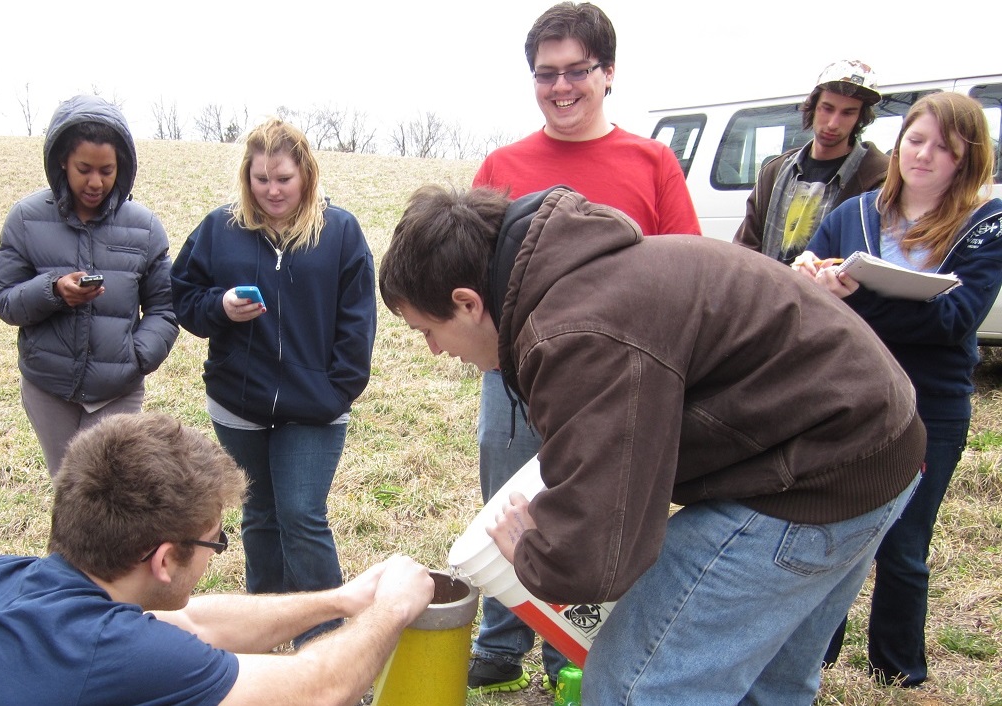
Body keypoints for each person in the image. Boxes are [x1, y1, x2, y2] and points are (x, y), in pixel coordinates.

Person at [378, 184, 927, 704]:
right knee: (767, 686)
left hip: (819, 468)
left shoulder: (577, 333)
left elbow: (601, 553)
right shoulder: (583, 280)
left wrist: (530, 551)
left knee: (637, 684)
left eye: (427, 330)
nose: (432, 350)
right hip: (875, 441)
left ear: (468, 302)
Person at [0, 411, 434, 706]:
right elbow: (322, 688)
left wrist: (341, 599)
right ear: (161, 560)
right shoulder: (109, 651)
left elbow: (197, 623)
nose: (214, 557)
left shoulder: (0, 578)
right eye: (213, 543)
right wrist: (391, 611)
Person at [467, 1, 700, 691]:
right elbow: (471, 273)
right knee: (506, 505)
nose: (560, 87)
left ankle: (573, 648)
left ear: (609, 73)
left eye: (577, 71)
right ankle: (501, 642)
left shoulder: (651, 162)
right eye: (545, 74)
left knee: (594, 506)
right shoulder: (503, 165)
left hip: (615, 383)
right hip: (516, 376)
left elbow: (683, 265)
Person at [798, 91, 1002, 687]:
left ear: (967, 159)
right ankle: (817, 653)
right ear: (898, 143)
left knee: (904, 542)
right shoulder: (855, 212)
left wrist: (858, 297)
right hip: (848, 393)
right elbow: (804, 281)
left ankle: (898, 671)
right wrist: (811, 276)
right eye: (916, 140)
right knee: (829, 529)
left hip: (929, 401)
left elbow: (955, 317)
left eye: (944, 148)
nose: (925, 155)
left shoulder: (985, 225)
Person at [170, 118, 376, 641]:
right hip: (240, 404)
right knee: (258, 515)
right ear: (247, 176)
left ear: (305, 173)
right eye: (261, 179)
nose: (272, 189)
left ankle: (325, 640)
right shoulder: (220, 228)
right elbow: (183, 298)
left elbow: (357, 321)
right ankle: (263, 631)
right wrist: (220, 307)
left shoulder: (340, 232)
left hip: (316, 406)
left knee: (302, 515)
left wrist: (337, 391)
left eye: (283, 177)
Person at [0, 95, 178, 478]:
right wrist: (53, 291)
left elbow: (164, 308)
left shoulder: (144, 226)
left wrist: (136, 357)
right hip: (49, 388)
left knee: (110, 496)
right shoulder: (26, 218)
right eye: (84, 169)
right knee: (68, 494)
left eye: (107, 170)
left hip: (117, 390)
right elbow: (2, 299)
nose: (96, 182)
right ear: (62, 161)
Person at [736, 59, 889, 264]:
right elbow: (745, 250)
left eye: (847, 112)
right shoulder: (774, 172)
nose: (833, 123)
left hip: (832, 294)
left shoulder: (879, 177)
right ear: (813, 106)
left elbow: (876, 260)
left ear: (860, 117)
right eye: (827, 108)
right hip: (771, 291)